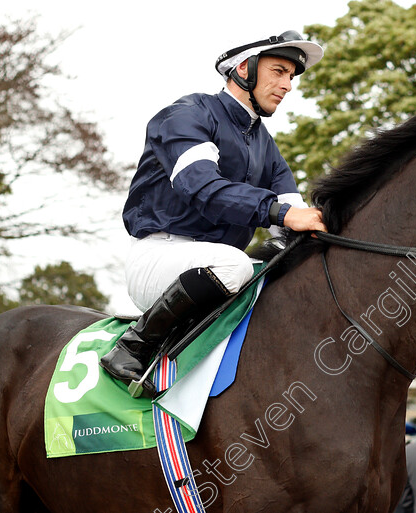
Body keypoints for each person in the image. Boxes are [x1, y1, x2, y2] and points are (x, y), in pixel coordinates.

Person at [100, 31, 327, 392]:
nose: (287, 85)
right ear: (244, 69)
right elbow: (202, 188)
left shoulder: (267, 148)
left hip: (218, 268)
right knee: (236, 265)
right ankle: (132, 348)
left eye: (291, 77)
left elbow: (295, 222)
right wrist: (279, 212)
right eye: (279, 71)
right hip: (161, 257)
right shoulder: (186, 115)